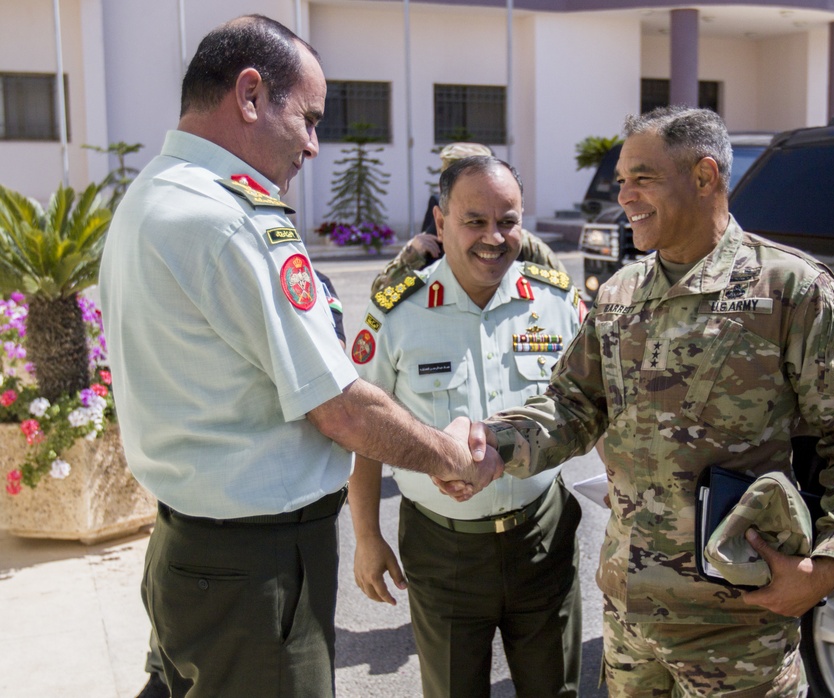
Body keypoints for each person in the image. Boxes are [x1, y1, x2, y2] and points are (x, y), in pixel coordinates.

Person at [99, 15, 500, 698]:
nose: (314, 145)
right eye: (309, 119)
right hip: (255, 570)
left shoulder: (153, 195)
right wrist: (449, 456)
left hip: (191, 551)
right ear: (250, 95)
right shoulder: (232, 221)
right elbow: (340, 409)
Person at [453, 106, 834, 696]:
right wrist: (493, 444)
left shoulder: (790, 290)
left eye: (642, 178)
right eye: (620, 181)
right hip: (630, 619)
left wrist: (827, 568)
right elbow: (572, 406)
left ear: (704, 175)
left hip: (738, 627)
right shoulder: (619, 293)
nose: (624, 196)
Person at [347, 155, 588, 697]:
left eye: (507, 220)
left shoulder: (556, 304)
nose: (493, 237)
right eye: (474, 220)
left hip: (541, 539)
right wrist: (366, 536)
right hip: (443, 549)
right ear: (440, 222)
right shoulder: (398, 313)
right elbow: (363, 432)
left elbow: (599, 406)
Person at [135, 269, 349, 698]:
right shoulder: (242, 274)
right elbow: (335, 404)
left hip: (185, 533)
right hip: (248, 547)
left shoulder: (309, 280)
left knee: (174, 675)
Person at [369, 142, 567, 294]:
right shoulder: (427, 240)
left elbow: (564, 290)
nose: (492, 236)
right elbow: (381, 295)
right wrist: (413, 254)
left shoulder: (522, 242)